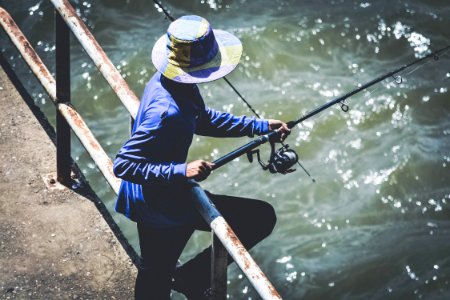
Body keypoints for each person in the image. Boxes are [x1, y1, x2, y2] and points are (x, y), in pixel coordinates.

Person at [113, 15, 290, 299]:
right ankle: (192, 278)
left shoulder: (169, 82)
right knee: (259, 217)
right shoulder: (165, 113)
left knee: (156, 272)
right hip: (161, 202)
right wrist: (181, 171)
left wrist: (258, 126)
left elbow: (201, 118)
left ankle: (190, 278)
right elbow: (124, 164)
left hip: (152, 193)